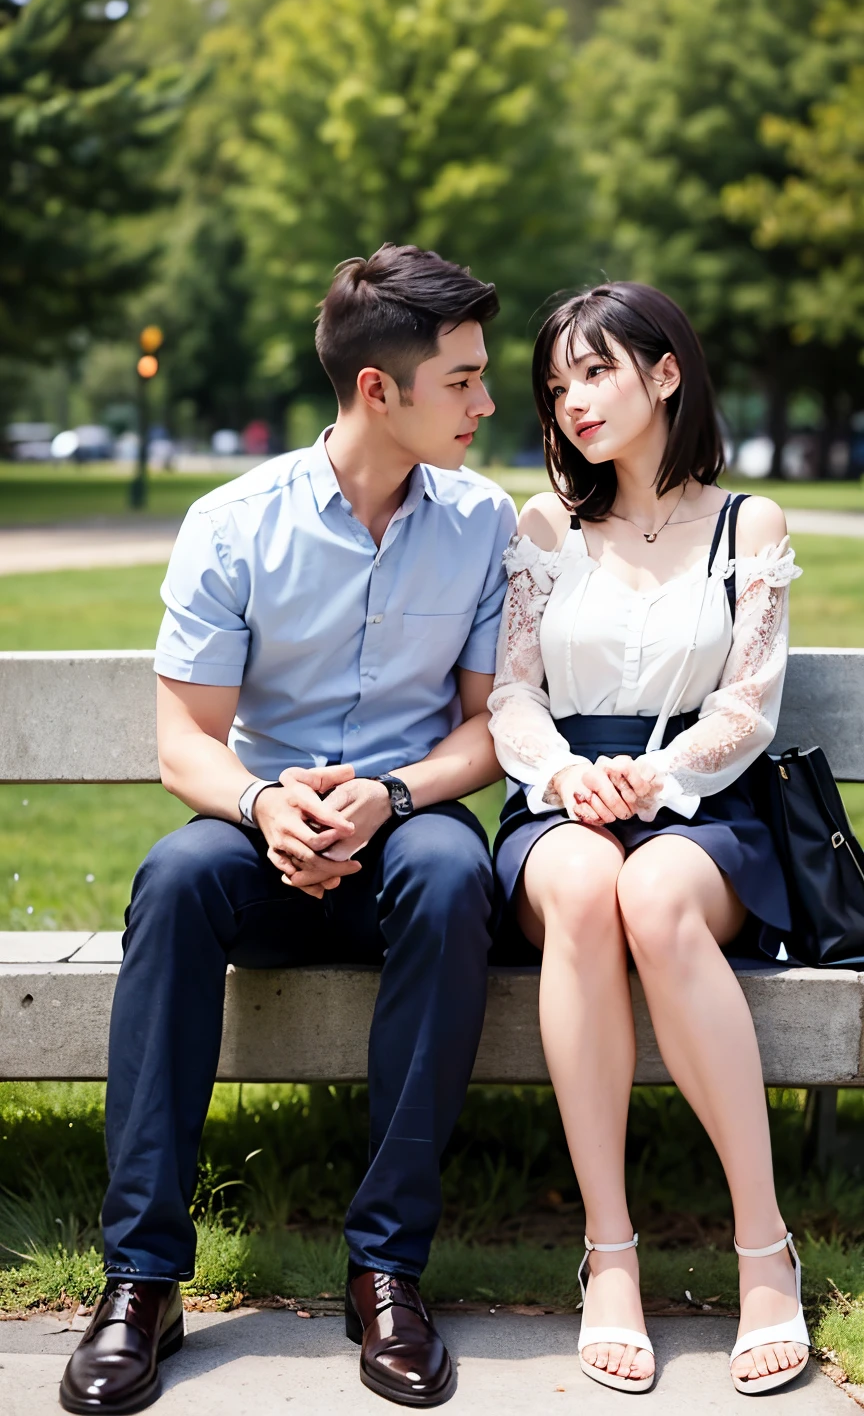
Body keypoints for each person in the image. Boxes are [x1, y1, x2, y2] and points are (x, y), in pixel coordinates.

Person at [60, 244, 516, 1414]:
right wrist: (269, 805)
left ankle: (387, 1272)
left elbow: (486, 732)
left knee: (453, 869)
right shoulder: (233, 524)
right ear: (380, 389)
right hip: (262, 840)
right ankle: (142, 1282)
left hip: (403, 831)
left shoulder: (481, 523)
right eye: (462, 379)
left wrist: (395, 793)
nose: (487, 401)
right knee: (172, 880)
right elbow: (185, 745)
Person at [488, 282, 809, 1397]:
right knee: (584, 889)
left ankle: (764, 1250)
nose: (572, 400)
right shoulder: (543, 527)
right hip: (560, 798)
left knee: (656, 898)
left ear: (665, 371)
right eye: (557, 383)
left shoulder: (746, 525)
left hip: (704, 806)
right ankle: (610, 1253)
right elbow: (513, 695)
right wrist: (572, 774)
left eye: (596, 371)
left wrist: (657, 779)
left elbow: (749, 705)